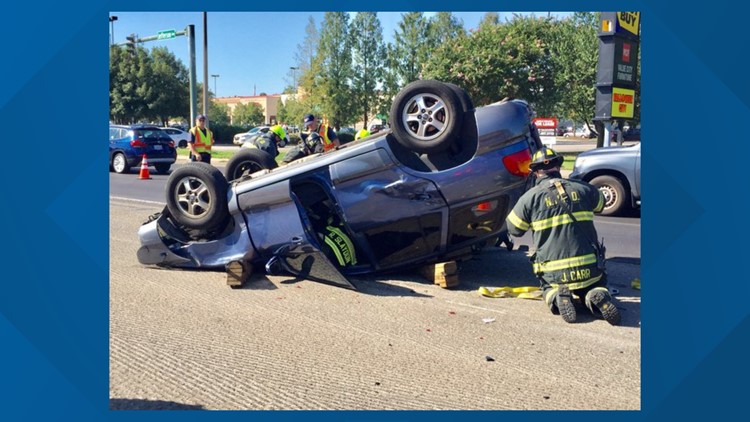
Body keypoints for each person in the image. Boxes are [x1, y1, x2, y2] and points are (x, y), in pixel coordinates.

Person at [505, 147, 621, 325]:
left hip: (554, 273)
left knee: (547, 287)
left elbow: (514, 229)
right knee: (595, 284)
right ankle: (595, 296)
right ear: (558, 167)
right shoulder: (584, 189)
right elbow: (601, 205)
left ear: (536, 172)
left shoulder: (530, 198)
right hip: (589, 267)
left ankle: (557, 298)